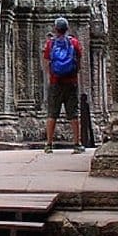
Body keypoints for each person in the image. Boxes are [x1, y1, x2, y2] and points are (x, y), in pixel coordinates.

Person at [43, 16, 84, 154]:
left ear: (55, 29)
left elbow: (47, 62)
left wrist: (52, 75)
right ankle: (77, 144)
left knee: (52, 114)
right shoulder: (74, 42)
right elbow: (78, 61)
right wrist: (74, 73)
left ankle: (49, 144)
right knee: (73, 113)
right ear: (67, 29)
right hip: (71, 82)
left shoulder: (50, 43)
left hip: (55, 82)